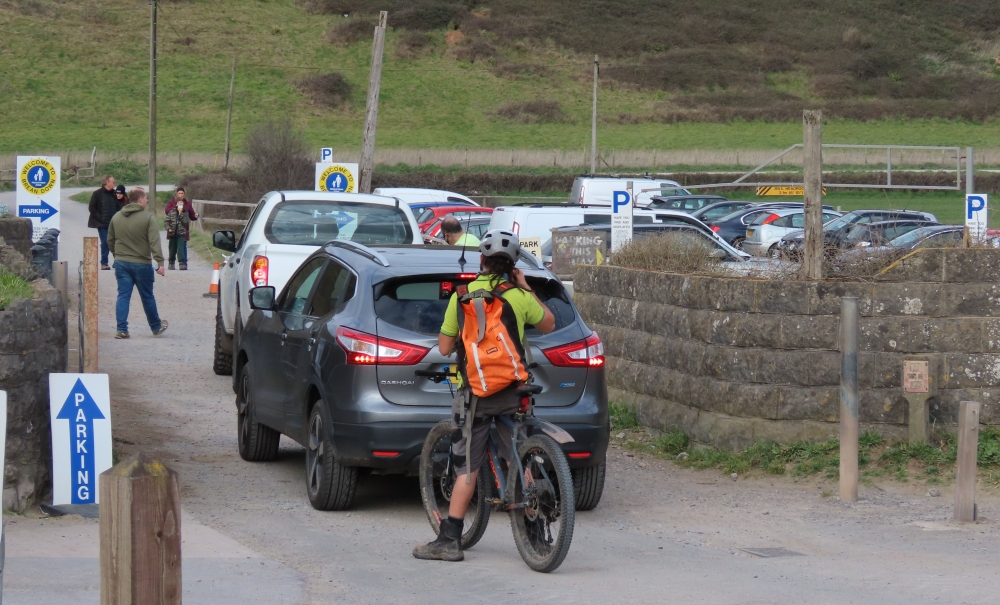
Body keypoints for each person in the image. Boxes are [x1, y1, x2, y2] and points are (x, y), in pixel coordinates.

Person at [412, 229, 555, 562]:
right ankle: (535, 532)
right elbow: (548, 324)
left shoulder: (461, 297)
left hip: (476, 394)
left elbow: (446, 346)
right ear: (512, 265)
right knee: (515, 455)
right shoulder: (518, 296)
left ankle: (449, 540)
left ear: (482, 261)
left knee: (467, 468)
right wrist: (526, 287)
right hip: (513, 390)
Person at [107, 187, 168, 339]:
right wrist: (160, 262)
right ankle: (155, 326)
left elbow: (110, 240)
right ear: (140, 200)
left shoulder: (116, 217)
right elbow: (154, 242)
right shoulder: (148, 218)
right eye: (146, 198)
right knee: (147, 296)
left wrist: (117, 255)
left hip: (121, 262)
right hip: (142, 263)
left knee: (123, 296)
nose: (147, 200)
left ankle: (121, 329)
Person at [87, 175, 119, 270]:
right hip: (102, 224)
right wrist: (100, 218)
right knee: (105, 242)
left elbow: (120, 205)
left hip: (114, 223)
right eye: (113, 182)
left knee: (116, 242)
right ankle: (104, 263)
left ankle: (117, 262)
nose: (114, 183)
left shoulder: (115, 194)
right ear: (107, 182)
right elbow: (91, 207)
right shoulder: (97, 194)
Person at [163, 187, 198, 270]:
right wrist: (168, 228)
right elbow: (167, 215)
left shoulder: (187, 205)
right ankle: (171, 262)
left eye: (182, 193)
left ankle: (182, 263)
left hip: (182, 232)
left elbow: (188, 218)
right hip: (172, 232)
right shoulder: (171, 204)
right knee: (172, 248)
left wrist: (193, 216)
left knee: (182, 248)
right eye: (179, 193)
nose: (181, 195)